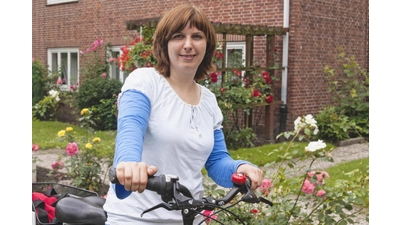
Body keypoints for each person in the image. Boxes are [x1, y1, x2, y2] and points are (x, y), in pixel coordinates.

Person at [103, 4, 264, 225]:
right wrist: (129, 165)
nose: (188, 45)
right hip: (135, 218)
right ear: (165, 44)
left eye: (196, 36)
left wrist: (240, 168)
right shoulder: (144, 81)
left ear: (206, 45)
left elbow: (216, 161)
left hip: (189, 217)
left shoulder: (208, 100)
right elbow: (130, 130)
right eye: (179, 36)